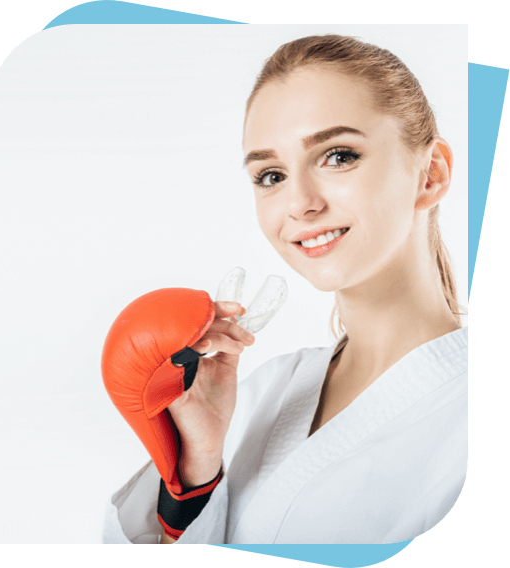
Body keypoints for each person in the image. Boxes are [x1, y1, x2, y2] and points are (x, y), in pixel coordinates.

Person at [101, 34, 468, 544]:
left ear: (430, 174)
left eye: (338, 156)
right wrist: (195, 469)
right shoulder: (264, 391)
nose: (298, 203)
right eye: (270, 175)